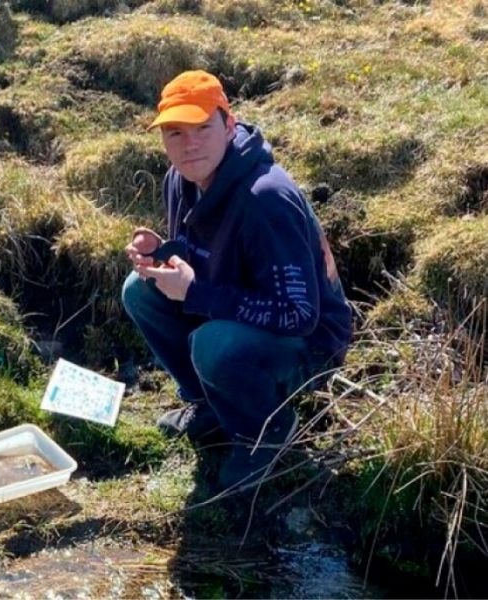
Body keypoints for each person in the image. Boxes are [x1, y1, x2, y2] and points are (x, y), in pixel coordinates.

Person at [122, 70, 352, 490]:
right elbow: (214, 256)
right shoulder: (181, 179)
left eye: (202, 128)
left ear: (228, 125)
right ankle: (208, 406)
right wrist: (165, 253)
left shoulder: (266, 198)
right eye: (175, 133)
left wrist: (196, 293)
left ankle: (264, 435)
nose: (188, 145)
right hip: (244, 315)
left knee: (212, 344)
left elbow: (299, 314)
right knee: (140, 290)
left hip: (310, 344)